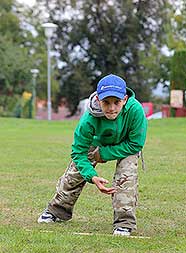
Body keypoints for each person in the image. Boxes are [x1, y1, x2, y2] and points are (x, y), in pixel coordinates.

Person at [38, 74, 147, 236]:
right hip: (96, 142)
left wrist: (104, 154)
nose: (111, 108)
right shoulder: (89, 119)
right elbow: (78, 153)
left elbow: (136, 144)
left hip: (126, 145)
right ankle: (57, 210)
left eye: (116, 102)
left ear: (124, 99)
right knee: (75, 172)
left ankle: (124, 222)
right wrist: (92, 176)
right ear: (98, 99)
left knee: (126, 174)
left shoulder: (136, 110)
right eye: (106, 102)